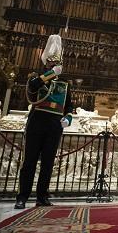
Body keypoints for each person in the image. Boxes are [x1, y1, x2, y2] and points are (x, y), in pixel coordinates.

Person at [15, 34, 73, 209]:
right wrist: (49, 75)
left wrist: (68, 118)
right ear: (46, 63)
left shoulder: (65, 85)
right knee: (30, 161)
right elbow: (33, 88)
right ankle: (22, 196)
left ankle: (42, 196)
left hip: (55, 124)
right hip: (37, 121)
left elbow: (69, 106)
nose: (54, 66)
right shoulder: (37, 78)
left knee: (48, 162)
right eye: (51, 63)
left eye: (56, 64)